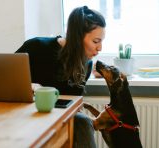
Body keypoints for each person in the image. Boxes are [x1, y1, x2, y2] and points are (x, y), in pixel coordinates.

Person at [16, 5, 106, 148]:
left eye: (101, 41)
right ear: (77, 37)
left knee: (82, 121)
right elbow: (6, 77)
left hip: (58, 118)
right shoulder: (36, 47)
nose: (100, 48)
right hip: (24, 114)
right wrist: (30, 85)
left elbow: (73, 105)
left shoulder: (86, 64)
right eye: (96, 41)